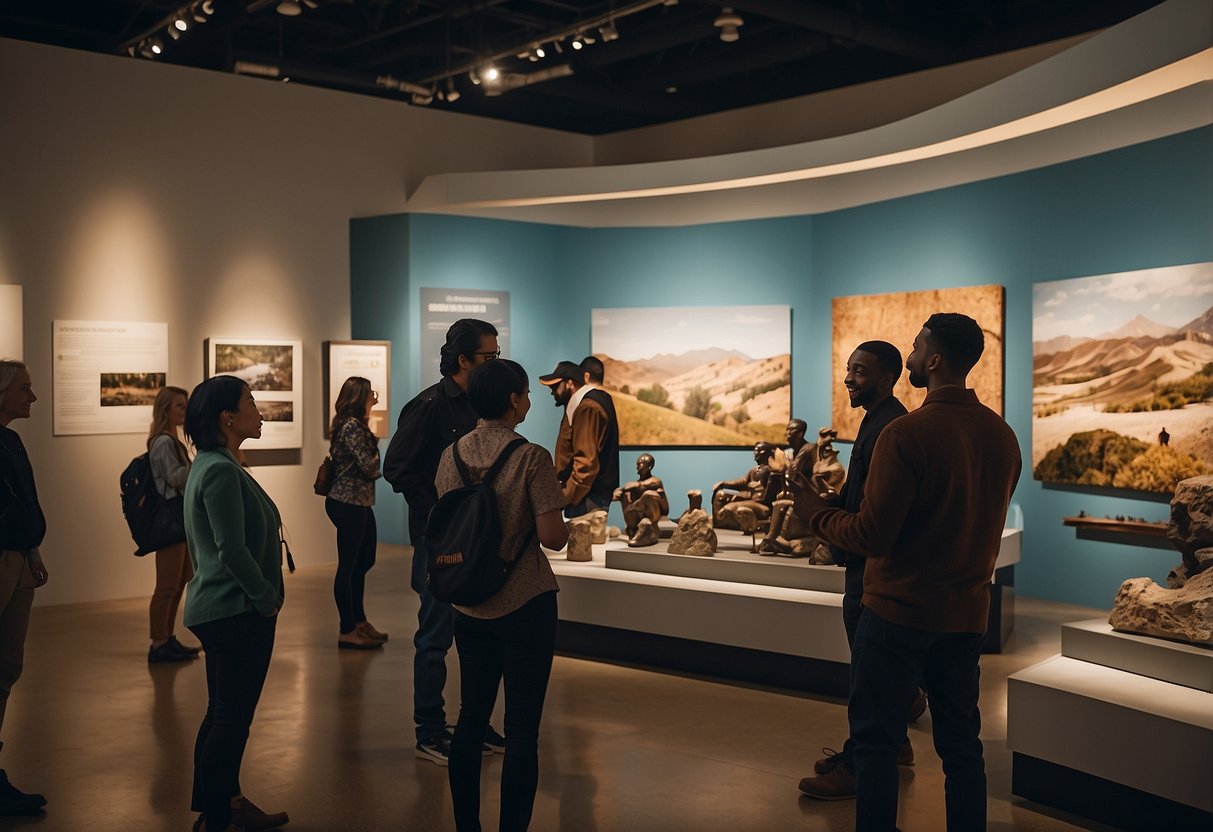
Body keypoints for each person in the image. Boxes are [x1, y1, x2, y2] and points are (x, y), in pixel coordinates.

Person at [789, 314, 1021, 831]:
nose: (910, 355)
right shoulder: (1003, 437)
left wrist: (816, 515)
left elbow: (872, 537)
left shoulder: (906, 434)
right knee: (963, 748)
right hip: (964, 618)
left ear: (934, 360)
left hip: (896, 616)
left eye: (916, 347)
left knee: (874, 744)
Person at [435, 359, 569, 832]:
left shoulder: (450, 455)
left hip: (468, 604)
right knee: (522, 730)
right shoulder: (531, 457)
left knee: (470, 718)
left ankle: (467, 826)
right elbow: (553, 537)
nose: (530, 400)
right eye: (527, 393)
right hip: (525, 602)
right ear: (513, 400)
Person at [384, 318, 506, 764]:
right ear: (462, 360)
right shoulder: (430, 406)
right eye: (490, 357)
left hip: (479, 539)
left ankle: (475, 724)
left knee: (481, 633)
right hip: (440, 542)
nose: (496, 362)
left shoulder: (481, 404)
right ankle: (429, 730)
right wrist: (438, 511)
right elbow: (396, 467)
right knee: (434, 637)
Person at [795, 341, 910, 799]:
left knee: (868, 673)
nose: (848, 378)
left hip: (871, 570)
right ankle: (895, 743)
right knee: (871, 669)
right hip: (860, 563)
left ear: (886, 378)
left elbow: (876, 516)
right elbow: (859, 495)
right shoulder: (875, 421)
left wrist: (817, 514)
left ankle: (861, 765)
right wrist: (824, 503)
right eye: (847, 369)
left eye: (859, 372)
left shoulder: (890, 427)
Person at [183, 376, 290, 832]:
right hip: (234, 610)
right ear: (228, 417)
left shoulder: (212, 463)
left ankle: (224, 804)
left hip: (223, 608)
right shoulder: (220, 470)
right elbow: (231, 549)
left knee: (223, 713)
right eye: (250, 402)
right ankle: (219, 816)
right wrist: (265, 598)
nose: (259, 409)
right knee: (230, 717)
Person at [0, 360, 49, 817]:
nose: (31, 397)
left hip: (17, 560)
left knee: (6, 667)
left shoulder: (12, 440)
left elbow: (28, 500)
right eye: (24, 388)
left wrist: (33, 554)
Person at [325, 376, 386, 651]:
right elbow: (370, 467)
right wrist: (378, 449)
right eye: (371, 393)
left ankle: (359, 621)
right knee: (349, 566)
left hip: (359, 501)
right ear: (360, 396)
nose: (374, 397)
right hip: (347, 501)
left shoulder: (355, 425)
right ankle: (346, 629)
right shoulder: (352, 426)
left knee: (363, 561)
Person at [145, 385, 202, 664]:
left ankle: (167, 637)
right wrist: (198, 461)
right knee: (166, 586)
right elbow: (175, 479)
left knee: (179, 583)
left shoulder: (171, 440)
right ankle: (158, 643)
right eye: (180, 406)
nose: (185, 411)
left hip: (179, 521)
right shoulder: (164, 442)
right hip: (171, 523)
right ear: (165, 410)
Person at [540, 360, 619, 518]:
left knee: (580, 541)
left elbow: (585, 464)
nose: (552, 392)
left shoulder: (587, 406)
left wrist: (566, 498)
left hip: (585, 500)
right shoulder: (591, 401)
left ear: (569, 383)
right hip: (587, 497)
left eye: (555, 387)